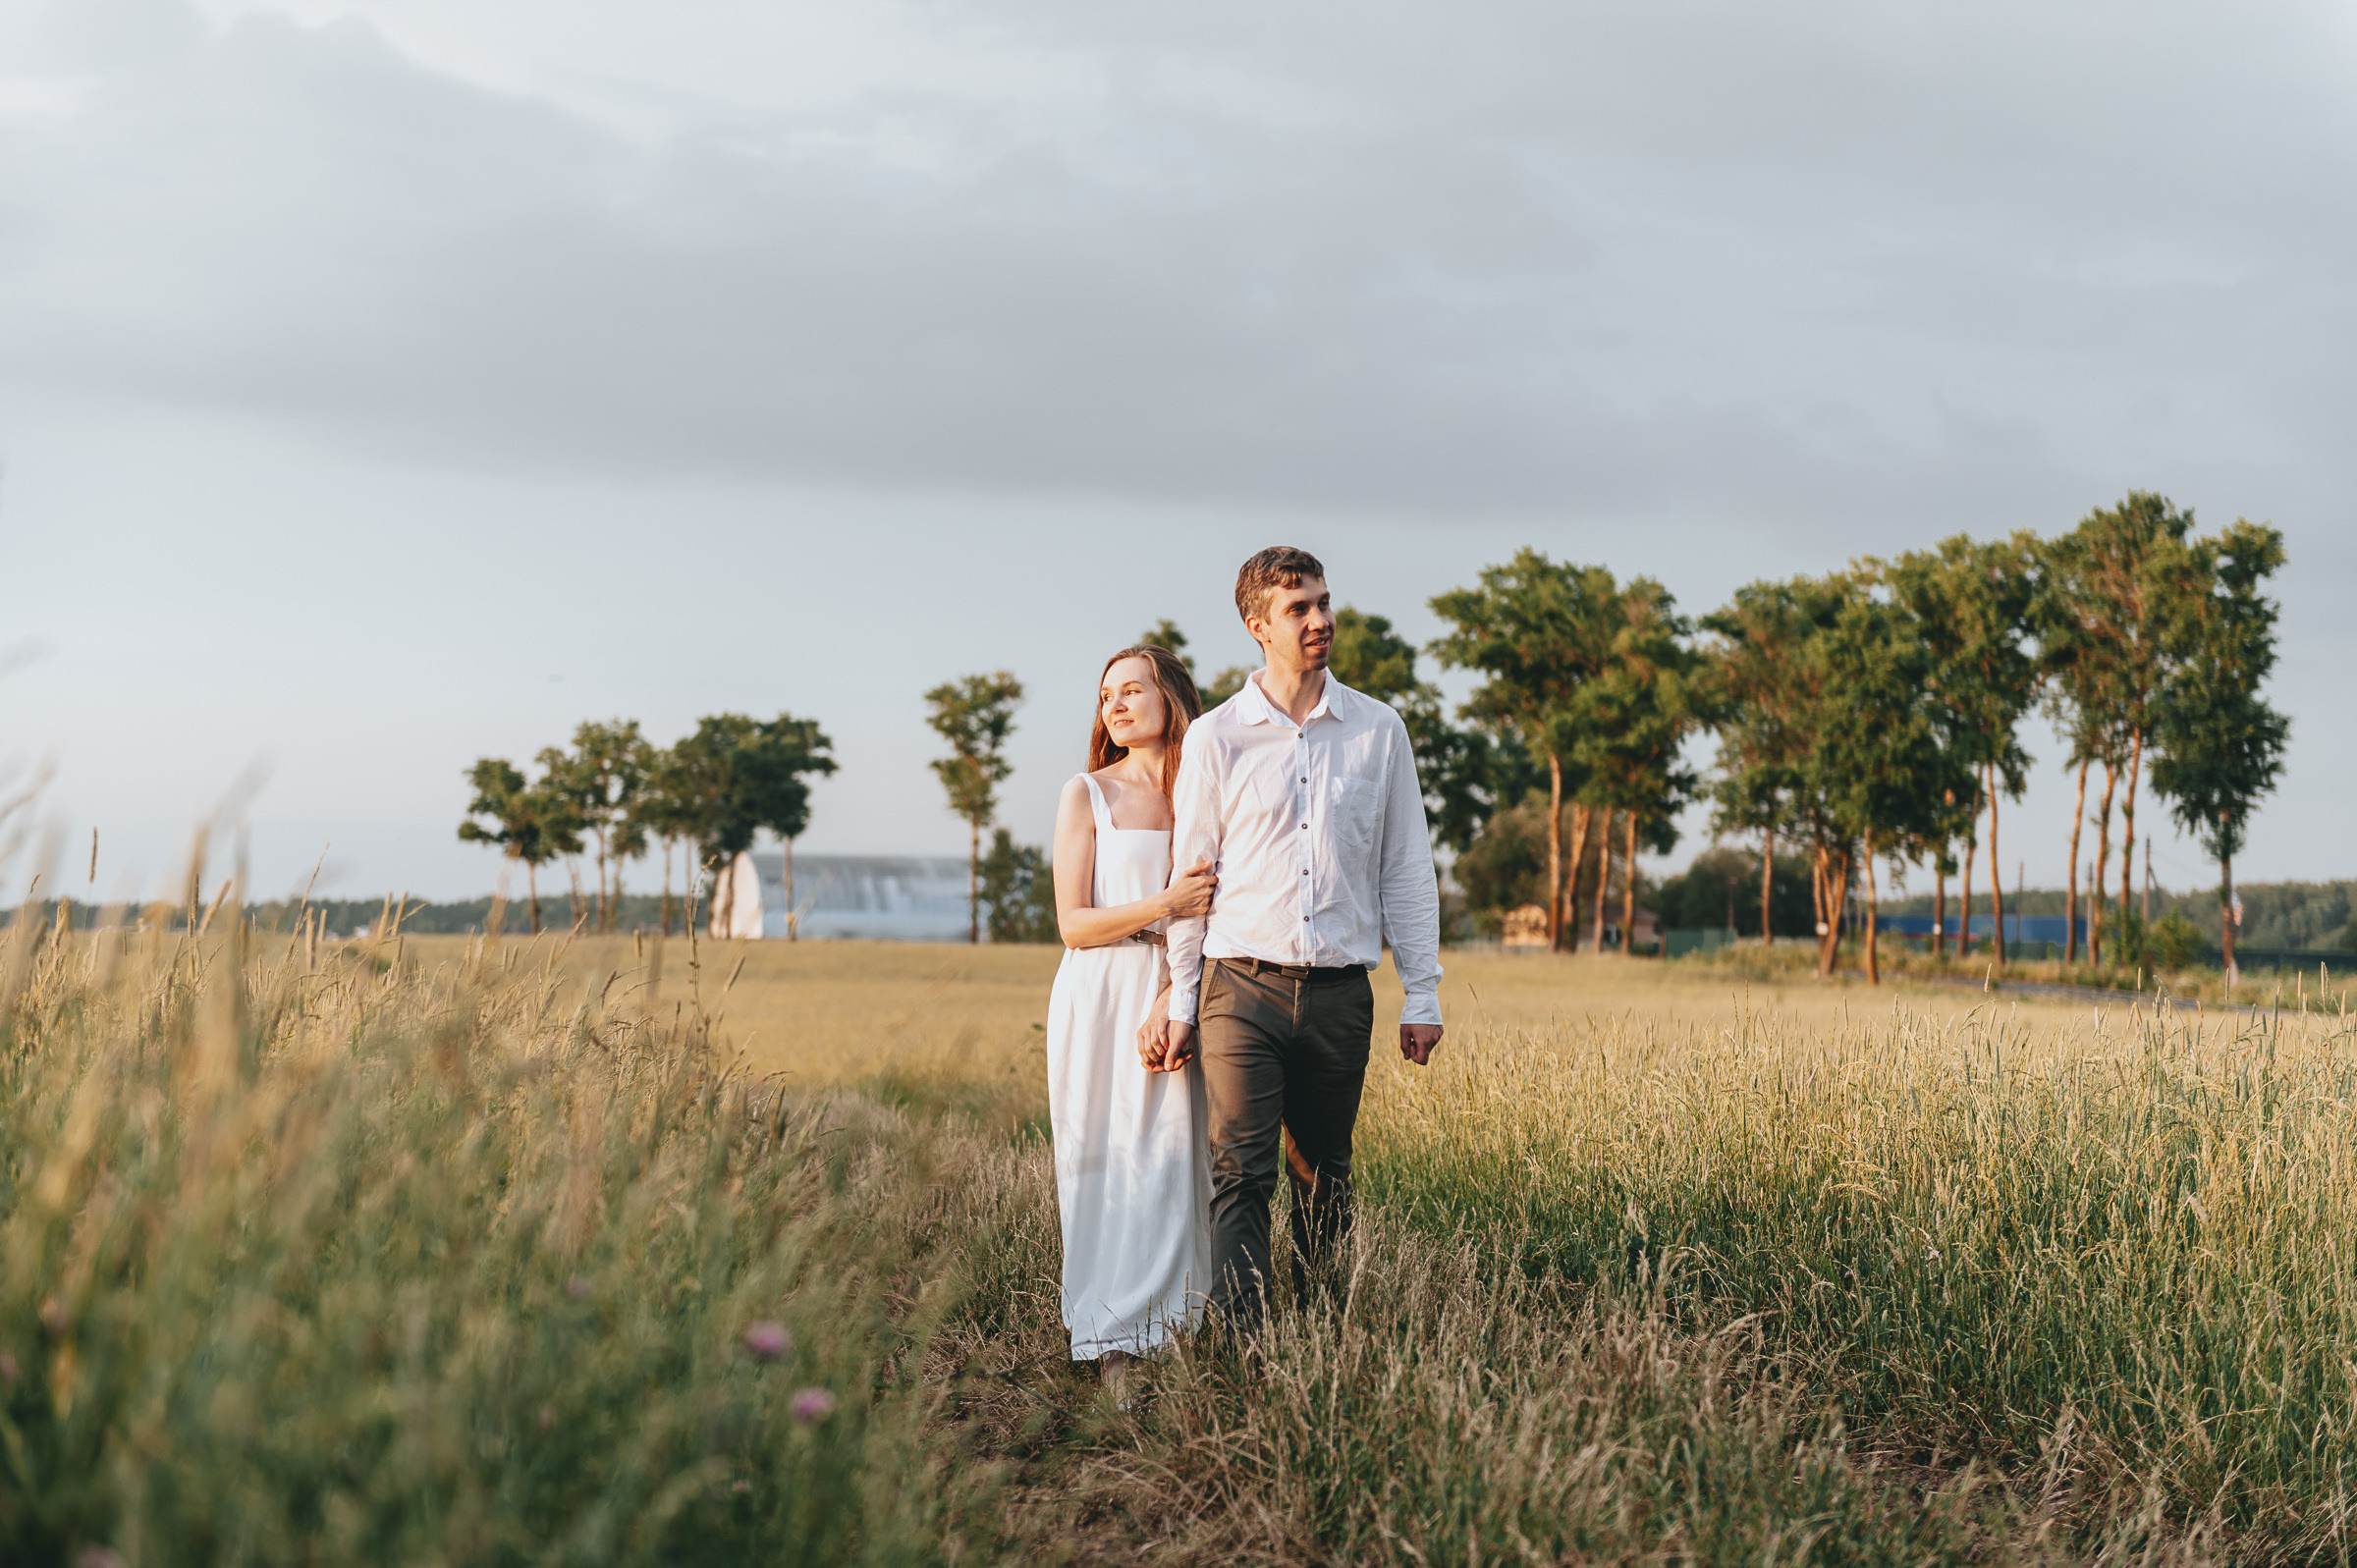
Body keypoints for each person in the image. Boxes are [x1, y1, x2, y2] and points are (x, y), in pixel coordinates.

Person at [1149, 545, 1445, 1329]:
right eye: (1298, 608)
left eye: (1322, 601)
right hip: (1238, 986)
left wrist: (1424, 990)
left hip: (1342, 992)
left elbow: (1407, 865)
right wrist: (1182, 999)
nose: (1321, 619)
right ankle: (1244, 1344)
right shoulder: (1217, 738)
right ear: (1258, 626)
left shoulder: (1380, 731)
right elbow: (1192, 880)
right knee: (1241, 1174)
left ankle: (1318, 1325)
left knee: (1324, 1174)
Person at [1044, 645, 1220, 1394]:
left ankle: (1177, 1328)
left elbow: (1220, 904)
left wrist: (1173, 988)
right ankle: (1112, 1338)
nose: (1113, 705)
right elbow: (1074, 924)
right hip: (1097, 991)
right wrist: (1161, 907)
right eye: (1105, 695)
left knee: (1176, 1160)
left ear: (1170, 695)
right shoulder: (1084, 794)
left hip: (1181, 987)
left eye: (1131, 689)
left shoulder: (1208, 789)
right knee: (1103, 1156)